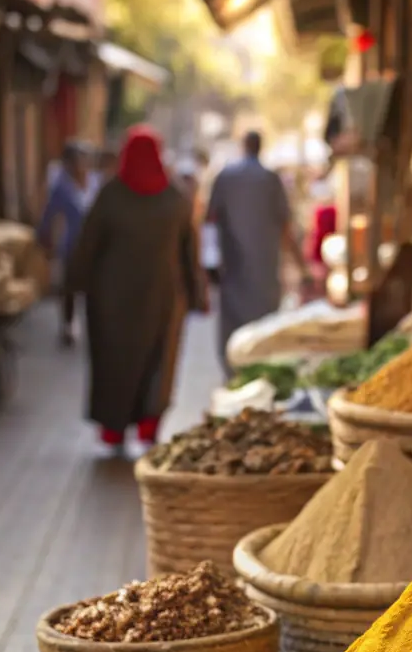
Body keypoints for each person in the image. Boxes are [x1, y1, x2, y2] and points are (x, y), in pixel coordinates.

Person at [67, 125, 208, 451]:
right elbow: (190, 252)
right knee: (157, 360)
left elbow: (88, 244)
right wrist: (197, 294)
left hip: (110, 301)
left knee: (113, 361)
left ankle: (114, 429)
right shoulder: (175, 199)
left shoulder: (110, 195)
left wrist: (73, 285)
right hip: (162, 300)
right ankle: (148, 425)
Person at [207, 130, 303, 372]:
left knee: (234, 332)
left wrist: (208, 263)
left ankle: (233, 377)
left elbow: (209, 219)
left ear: (244, 146)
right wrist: (300, 263)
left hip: (233, 269)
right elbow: (286, 227)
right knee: (263, 332)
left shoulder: (226, 177)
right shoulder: (271, 179)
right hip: (264, 271)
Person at [37, 140, 88, 346]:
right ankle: (68, 325)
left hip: (94, 244)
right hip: (72, 244)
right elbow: (50, 214)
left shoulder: (92, 181)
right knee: (70, 287)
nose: (81, 165)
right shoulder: (62, 186)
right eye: (76, 161)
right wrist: (43, 237)